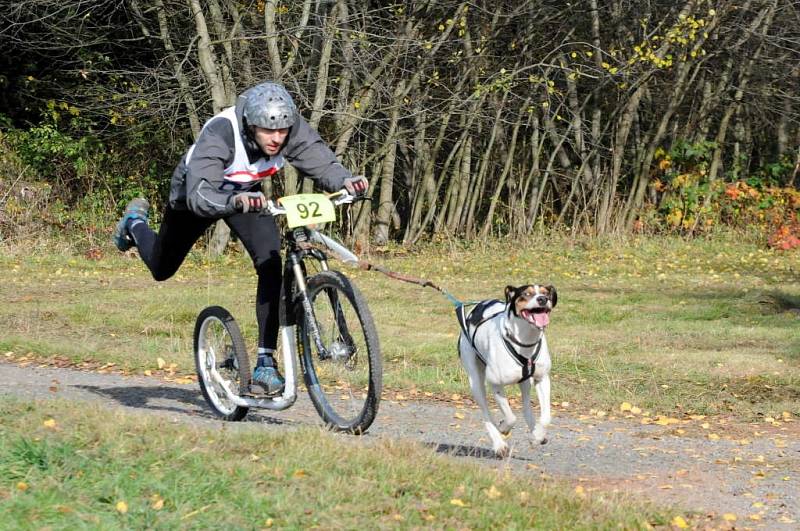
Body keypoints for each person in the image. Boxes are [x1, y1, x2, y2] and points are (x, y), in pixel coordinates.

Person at [112, 81, 368, 395]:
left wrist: (346, 181)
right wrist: (232, 200)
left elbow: (318, 158)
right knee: (161, 267)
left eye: (283, 131)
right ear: (249, 125)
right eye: (267, 132)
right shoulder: (221, 133)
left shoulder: (287, 127)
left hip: (246, 196)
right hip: (196, 196)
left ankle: (265, 363)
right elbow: (201, 192)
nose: (277, 139)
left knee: (271, 262)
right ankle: (135, 224)